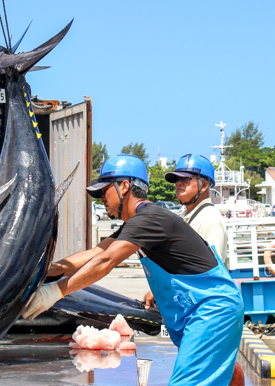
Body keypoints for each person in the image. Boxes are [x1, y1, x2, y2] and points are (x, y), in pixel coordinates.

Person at [23, 154, 244, 385]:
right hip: (197, 311)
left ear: (124, 187)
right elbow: (94, 254)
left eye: (103, 191)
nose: (101, 200)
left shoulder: (149, 219)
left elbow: (105, 261)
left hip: (211, 310)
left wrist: (55, 292)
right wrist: (44, 271)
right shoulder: (138, 223)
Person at [165, 153, 228, 264]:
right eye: (177, 179)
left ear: (204, 186)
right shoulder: (187, 214)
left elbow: (212, 269)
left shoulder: (209, 219)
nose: (179, 183)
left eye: (185, 178)